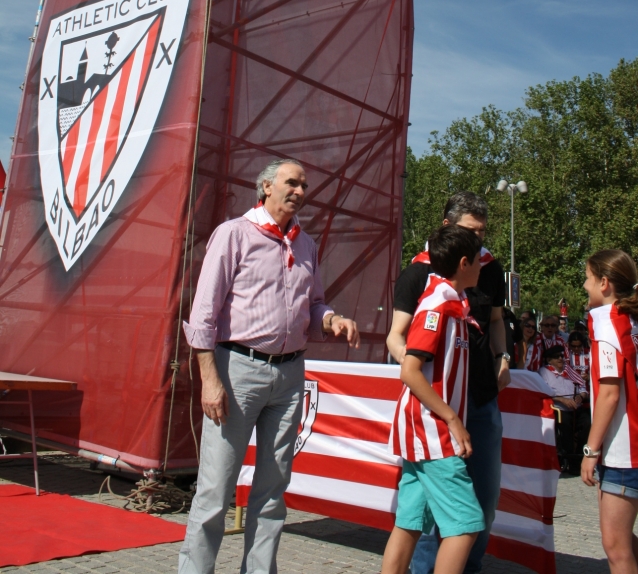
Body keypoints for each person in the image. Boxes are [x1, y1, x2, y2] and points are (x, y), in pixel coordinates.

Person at [178, 159, 360, 574]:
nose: (299, 190)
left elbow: (314, 305)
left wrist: (332, 320)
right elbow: (203, 314)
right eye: (291, 183)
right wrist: (211, 380)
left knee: (273, 490)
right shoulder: (233, 235)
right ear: (265, 188)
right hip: (237, 369)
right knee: (215, 488)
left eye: (304, 185)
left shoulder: (306, 244)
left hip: (290, 375)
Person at [387, 191, 509, 574]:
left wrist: (502, 357)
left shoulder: (459, 295)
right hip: (436, 421)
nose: (480, 246)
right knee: (465, 522)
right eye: (471, 236)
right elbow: (408, 361)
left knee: (412, 521)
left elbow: (494, 323)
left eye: (482, 234)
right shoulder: (435, 300)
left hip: (463, 407)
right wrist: (449, 415)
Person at [582, 249, 638, 574]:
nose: (585, 286)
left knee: (616, 547)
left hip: (622, 453)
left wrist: (590, 449)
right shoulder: (631, 319)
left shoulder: (607, 323)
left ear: (604, 283)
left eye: (588, 279)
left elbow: (609, 394)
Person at [540, 344, 589, 475]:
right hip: (559, 408)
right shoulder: (545, 372)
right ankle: (568, 459)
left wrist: (580, 396)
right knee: (565, 423)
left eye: (562, 356)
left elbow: (583, 389)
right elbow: (545, 392)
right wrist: (563, 400)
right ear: (549, 360)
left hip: (575, 406)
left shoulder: (570, 371)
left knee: (587, 422)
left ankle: (579, 457)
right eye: (556, 357)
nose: (560, 359)